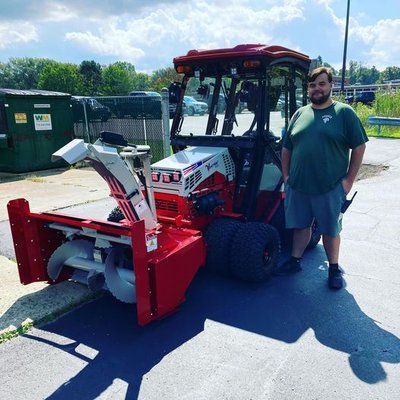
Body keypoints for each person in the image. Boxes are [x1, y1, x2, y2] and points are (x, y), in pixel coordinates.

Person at [274, 67, 368, 289]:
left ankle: (333, 269)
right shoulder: (300, 113)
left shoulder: (344, 113)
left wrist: (348, 182)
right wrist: (286, 176)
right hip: (298, 185)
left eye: (321, 84)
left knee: (330, 229)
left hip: (329, 187)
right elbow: (287, 147)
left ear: (330, 86)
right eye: (312, 85)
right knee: (300, 226)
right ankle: (295, 261)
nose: (317, 89)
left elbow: (359, 146)